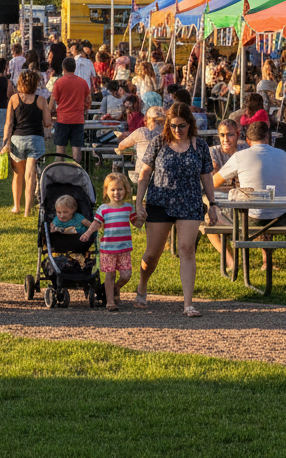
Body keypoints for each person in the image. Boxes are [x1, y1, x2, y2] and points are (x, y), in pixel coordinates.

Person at [132, 102, 218, 317]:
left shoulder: (200, 146)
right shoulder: (158, 142)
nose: (177, 130)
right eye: (173, 126)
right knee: (153, 253)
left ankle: (188, 303)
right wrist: (138, 202)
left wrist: (213, 204)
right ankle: (142, 284)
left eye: (181, 126)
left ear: (190, 124)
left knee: (187, 249)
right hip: (159, 201)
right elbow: (145, 174)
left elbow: (206, 176)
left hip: (189, 202)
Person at [210, 120, 286, 271]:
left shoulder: (240, 156)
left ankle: (232, 262)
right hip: (281, 217)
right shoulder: (282, 154)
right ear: (268, 138)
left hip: (253, 219)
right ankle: (266, 262)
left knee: (210, 218)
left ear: (247, 140)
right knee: (262, 207)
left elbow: (214, 182)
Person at [80, 172, 135, 312]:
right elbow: (96, 224)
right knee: (110, 274)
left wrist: (142, 217)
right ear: (107, 191)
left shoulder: (129, 208)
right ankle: (110, 301)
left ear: (125, 190)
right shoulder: (103, 209)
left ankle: (116, 287)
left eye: (120, 189)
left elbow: (137, 223)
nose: (116, 192)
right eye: (113, 189)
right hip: (108, 249)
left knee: (126, 275)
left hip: (124, 248)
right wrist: (87, 233)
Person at [2, 68, 52, 217]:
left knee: (18, 174)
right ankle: (27, 210)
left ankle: (16, 206)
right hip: (35, 139)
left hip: (17, 139)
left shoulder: (13, 99)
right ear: (35, 83)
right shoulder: (41, 100)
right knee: (30, 176)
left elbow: (8, 123)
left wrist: (5, 143)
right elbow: (47, 122)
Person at [51, 56, 90, 164]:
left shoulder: (59, 82)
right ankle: (76, 170)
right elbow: (88, 100)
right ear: (74, 68)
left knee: (60, 148)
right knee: (76, 148)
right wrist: (84, 109)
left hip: (62, 118)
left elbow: (55, 100)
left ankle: (60, 169)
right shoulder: (82, 82)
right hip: (78, 119)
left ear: (63, 68)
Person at [114, 106, 165, 182]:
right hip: (163, 175)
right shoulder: (169, 134)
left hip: (141, 174)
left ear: (146, 120)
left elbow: (121, 146)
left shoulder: (141, 132)